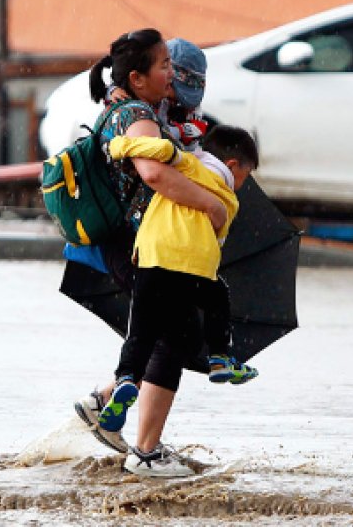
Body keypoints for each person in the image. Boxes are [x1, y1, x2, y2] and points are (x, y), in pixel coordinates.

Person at [71, 29, 228, 455]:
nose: (171, 78)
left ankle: (103, 405)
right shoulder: (137, 114)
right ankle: (145, 449)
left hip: (136, 238)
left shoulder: (138, 107)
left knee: (169, 332)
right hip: (137, 240)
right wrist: (214, 207)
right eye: (165, 68)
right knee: (171, 335)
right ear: (139, 77)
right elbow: (155, 173)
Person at [99, 125, 260, 478]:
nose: (242, 185)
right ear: (233, 165)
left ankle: (126, 378)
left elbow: (155, 151)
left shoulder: (185, 162)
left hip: (154, 258)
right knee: (218, 298)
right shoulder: (229, 198)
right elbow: (217, 236)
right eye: (245, 176)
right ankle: (220, 356)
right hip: (195, 266)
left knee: (140, 333)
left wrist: (118, 145)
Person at [106, 38, 209, 152]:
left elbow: (189, 143)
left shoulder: (191, 111)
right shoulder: (131, 103)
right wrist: (113, 90)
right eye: (171, 87)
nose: (173, 97)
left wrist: (179, 131)